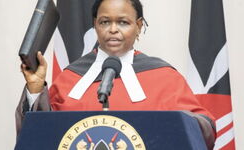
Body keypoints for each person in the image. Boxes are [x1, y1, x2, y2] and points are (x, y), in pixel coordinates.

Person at [16, 0, 216, 149]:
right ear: (95, 24)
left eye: (123, 22)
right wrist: (35, 88)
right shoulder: (71, 77)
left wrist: (178, 124)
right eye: (104, 22)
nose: (112, 30)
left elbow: (202, 130)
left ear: (138, 26)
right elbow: (40, 137)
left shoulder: (164, 77)